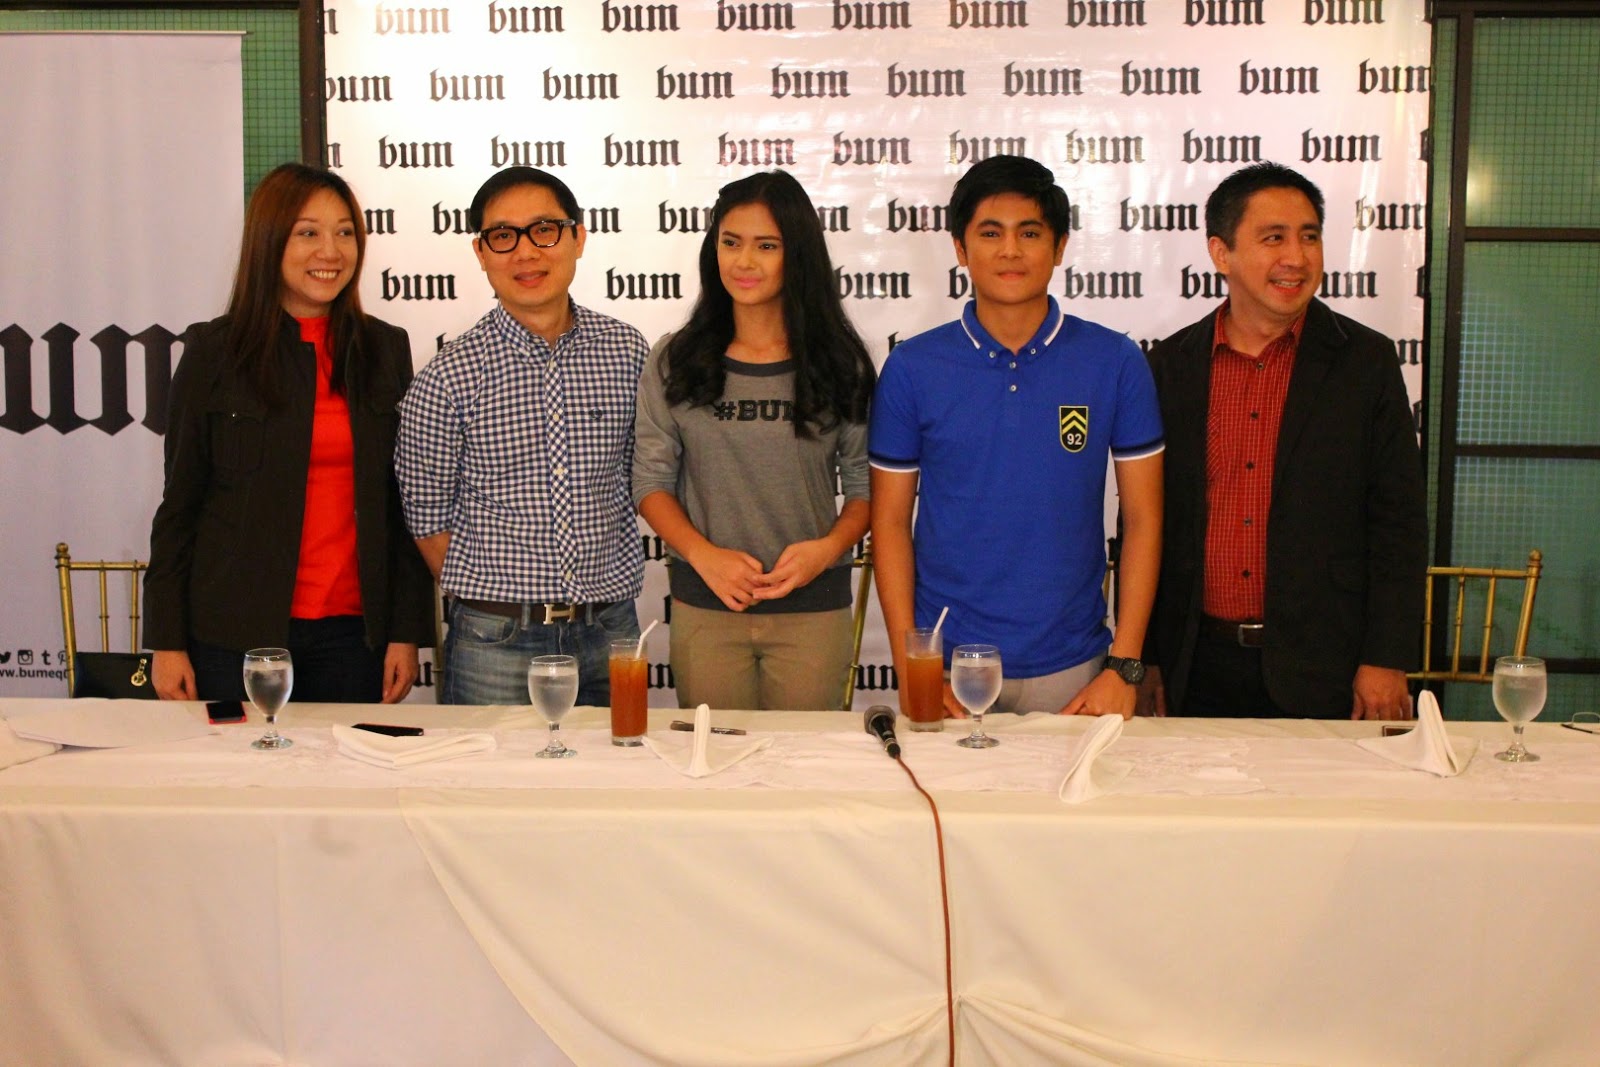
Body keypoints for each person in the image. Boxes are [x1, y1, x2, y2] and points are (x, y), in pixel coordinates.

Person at [869, 155, 1165, 720]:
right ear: (960, 249)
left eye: (1029, 233)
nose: (1010, 250)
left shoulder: (1114, 361)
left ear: (1059, 247)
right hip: (949, 670)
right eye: (990, 233)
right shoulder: (912, 367)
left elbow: (1145, 519)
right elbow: (889, 523)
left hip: (1074, 669)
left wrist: (1125, 665)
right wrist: (913, 668)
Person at [1143, 162, 1427, 720]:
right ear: (1221, 253)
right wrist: (1145, 658)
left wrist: (1386, 658)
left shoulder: (1365, 363)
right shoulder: (1171, 366)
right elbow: (1150, 523)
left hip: (1329, 668)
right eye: (1273, 238)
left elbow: (1399, 523)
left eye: (1309, 237)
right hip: (1195, 667)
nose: (1296, 257)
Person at [144, 163, 434, 703]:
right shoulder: (214, 351)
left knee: (346, 762)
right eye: (308, 233)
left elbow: (402, 506)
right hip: (233, 635)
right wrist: (166, 641)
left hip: (354, 637)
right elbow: (180, 504)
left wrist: (405, 631)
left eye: (345, 232)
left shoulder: (384, 349)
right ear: (269, 241)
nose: (331, 251)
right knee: (241, 762)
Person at [396, 166, 646, 706]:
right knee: (489, 767)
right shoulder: (447, 377)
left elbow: (645, 478)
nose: (526, 252)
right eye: (503, 236)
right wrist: (500, 600)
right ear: (481, 252)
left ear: (578, 238)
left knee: (621, 763)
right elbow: (427, 518)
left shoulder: (627, 352)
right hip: (496, 643)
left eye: (545, 230)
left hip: (611, 630)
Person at [634, 171, 875, 710]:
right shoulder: (675, 359)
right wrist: (703, 556)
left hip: (814, 611)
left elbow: (865, 489)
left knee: (807, 761)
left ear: (798, 255)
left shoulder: (841, 364)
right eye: (731, 242)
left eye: (767, 246)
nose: (744, 262)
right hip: (707, 607)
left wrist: (826, 551)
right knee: (716, 759)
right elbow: (650, 482)